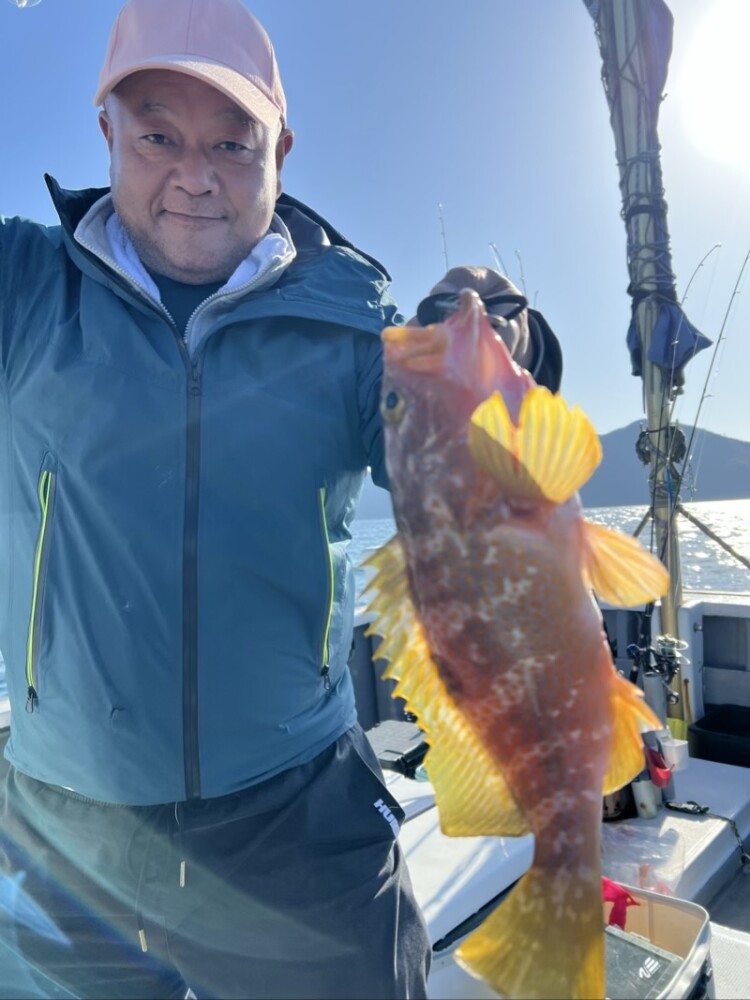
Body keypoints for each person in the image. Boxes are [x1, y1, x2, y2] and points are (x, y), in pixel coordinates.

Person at [0, 1, 562, 998]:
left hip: (296, 823)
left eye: (232, 143)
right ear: (107, 133)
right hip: (64, 841)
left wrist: (507, 346)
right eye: (159, 137)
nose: (195, 176)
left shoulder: (350, 320)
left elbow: (489, 476)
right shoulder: (25, 287)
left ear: (281, 152)